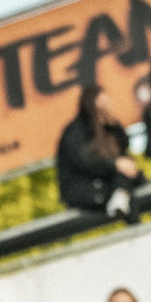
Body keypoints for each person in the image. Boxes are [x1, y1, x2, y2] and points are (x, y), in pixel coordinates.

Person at [56, 84, 141, 218]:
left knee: (128, 180)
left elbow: (124, 147)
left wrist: (114, 127)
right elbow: (84, 162)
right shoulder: (75, 132)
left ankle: (121, 200)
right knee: (125, 193)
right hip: (84, 188)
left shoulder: (109, 127)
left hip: (111, 183)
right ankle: (121, 202)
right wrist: (114, 164)